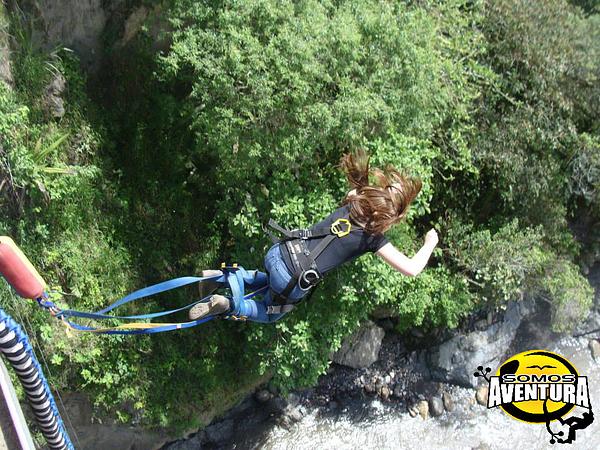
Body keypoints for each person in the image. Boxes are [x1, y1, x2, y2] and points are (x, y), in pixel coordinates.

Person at [189, 149, 439, 323]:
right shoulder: (373, 238)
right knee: (270, 312)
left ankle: (223, 277)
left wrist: (387, 194)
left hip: (280, 251)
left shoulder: (353, 199)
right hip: (294, 278)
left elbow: (363, 193)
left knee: (269, 280)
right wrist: (430, 242)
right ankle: (228, 304)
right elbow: (411, 268)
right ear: (392, 216)